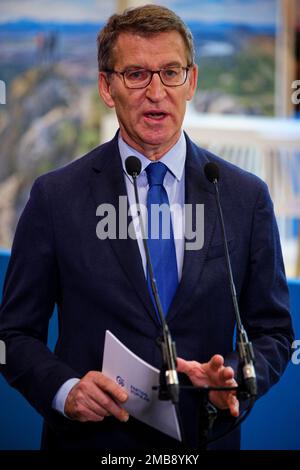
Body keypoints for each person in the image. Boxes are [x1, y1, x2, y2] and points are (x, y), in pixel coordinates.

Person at [0, 5, 294, 450]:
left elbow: (273, 332)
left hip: (203, 441)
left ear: (191, 82)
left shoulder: (242, 196)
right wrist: (66, 391)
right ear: (106, 86)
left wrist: (233, 378)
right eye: (136, 74)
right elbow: (14, 335)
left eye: (170, 72)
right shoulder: (55, 198)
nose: (156, 92)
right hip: (92, 445)